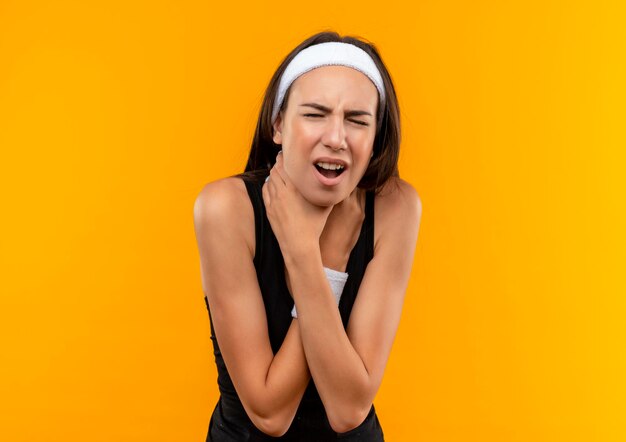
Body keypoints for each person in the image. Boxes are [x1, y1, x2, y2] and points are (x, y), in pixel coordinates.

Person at [193, 31, 422, 441]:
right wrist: (322, 258)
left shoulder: (396, 206)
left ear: (375, 140)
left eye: (357, 120)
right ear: (278, 125)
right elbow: (270, 414)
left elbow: (348, 408)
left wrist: (307, 257)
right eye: (315, 114)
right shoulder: (225, 208)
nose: (336, 138)